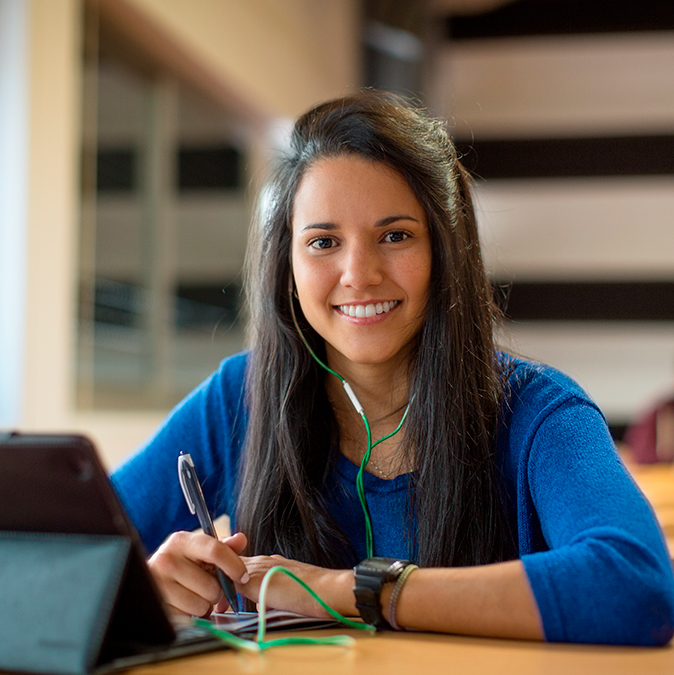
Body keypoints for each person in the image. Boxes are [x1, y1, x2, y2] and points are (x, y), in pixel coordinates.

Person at [111, 90, 674, 646]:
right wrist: (146, 584)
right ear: (287, 266)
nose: (359, 273)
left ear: (445, 253)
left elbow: (638, 586)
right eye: (324, 241)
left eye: (395, 236)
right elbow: (63, 552)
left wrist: (349, 590)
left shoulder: (536, 411)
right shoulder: (240, 396)